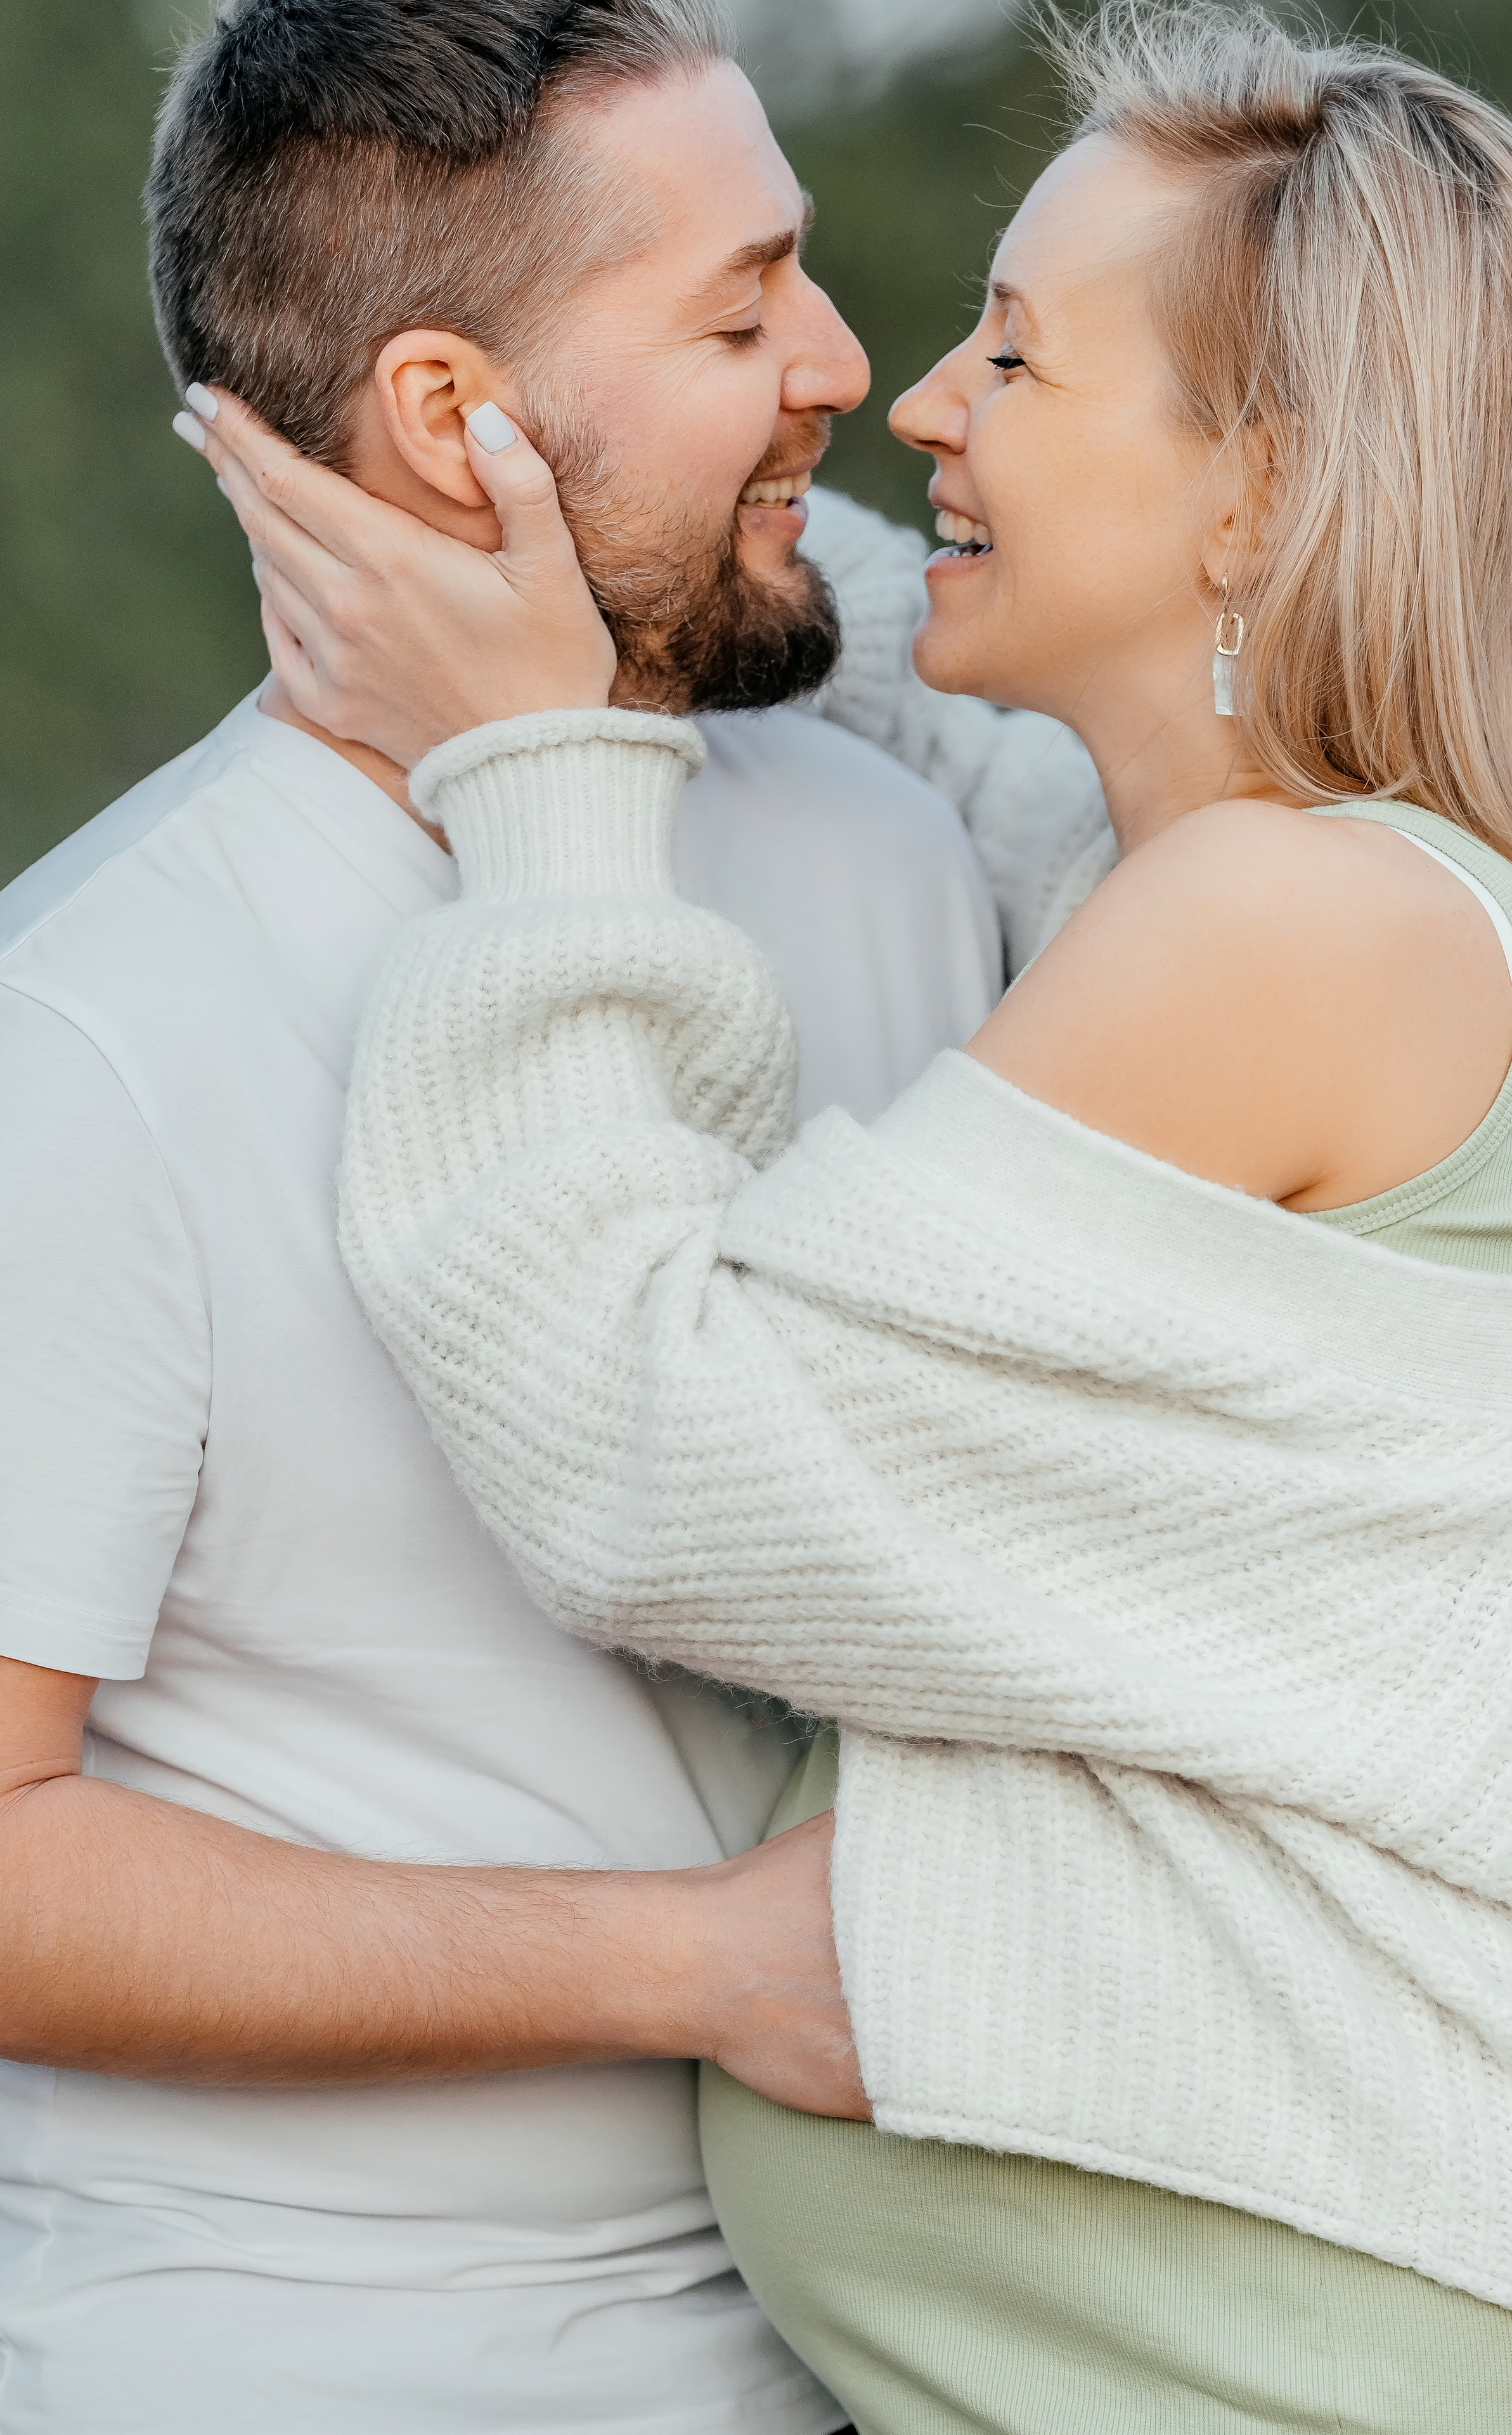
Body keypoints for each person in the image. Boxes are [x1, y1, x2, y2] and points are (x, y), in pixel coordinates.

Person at [200, 3, 1512, 2429]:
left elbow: (652, 1452)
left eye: (1020, 355)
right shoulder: (1268, 884)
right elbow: (968, 734)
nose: (919, 399)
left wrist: (535, 758)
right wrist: (622, 529)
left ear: (1260, 491)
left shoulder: (1288, 928)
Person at [0, 5, 1110, 2431]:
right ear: (450, 417)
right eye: (739, 312)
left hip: (919, 2357)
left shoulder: (887, 849)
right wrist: (689, 1967)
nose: (845, 365)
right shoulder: (80, 1032)